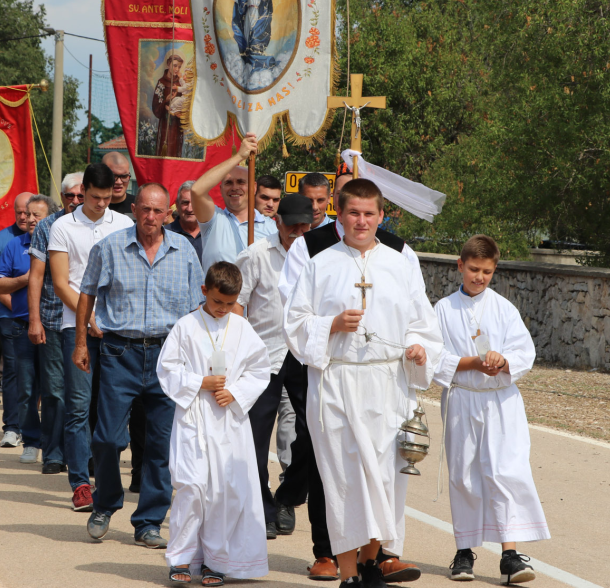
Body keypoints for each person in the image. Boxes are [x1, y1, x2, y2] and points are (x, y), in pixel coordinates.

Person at [284, 179, 443, 588]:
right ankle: (349, 573)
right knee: (343, 479)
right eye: (353, 212)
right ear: (340, 212)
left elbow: (422, 323)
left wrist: (417, 348)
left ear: (380, 215)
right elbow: (295, 323)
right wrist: (331, 325)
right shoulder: (321, 263)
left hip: (387, 381)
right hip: (336, 380)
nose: (361, 221)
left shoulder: (399, 263)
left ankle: (371, 564)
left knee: (384, 478)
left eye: (369, 214)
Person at [76, 183, 204, 549]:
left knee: (160, 446)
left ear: (169, 214)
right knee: (107, 438)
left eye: (158, 211)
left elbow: (199, 306)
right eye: (145, 210)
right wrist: (81, 343)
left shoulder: (184, 253)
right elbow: (87, 291)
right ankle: (105, 504)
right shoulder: (111, 247)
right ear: (134, 208)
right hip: (120, 353)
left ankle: (148, 522)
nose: (151, 217)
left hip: (168, 355)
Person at [433, 235, 549, 583]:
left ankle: (510, 555)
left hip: (500, 402)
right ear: (460, 266)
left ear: (494, 270)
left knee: (505, 471)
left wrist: (503, 360)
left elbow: (523, 353)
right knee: (465, 474)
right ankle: (464, 551)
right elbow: (436, 357)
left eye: (486, 271)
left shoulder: (503, 309)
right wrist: (471, 363)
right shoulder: (443, 309)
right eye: (473, 269)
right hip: (463, 398)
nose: (479, 277)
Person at [158, 261, 271, 584]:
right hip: (194, 417)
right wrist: (198, 383)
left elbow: (259, 370)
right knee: (191, 487)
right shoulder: (186, 326)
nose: (222, 309)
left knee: (224, 491)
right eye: (217, 302)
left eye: (229, 304)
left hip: (228, 421)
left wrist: (235, 392)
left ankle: (215, 562)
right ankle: (180, 559)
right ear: (205, 291)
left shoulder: (243, 328)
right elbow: (167, 369)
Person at [49, 163, 134, 510]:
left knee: (112, 409)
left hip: (117, 329)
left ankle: (106, 475)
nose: (101, 204)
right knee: (79, 407)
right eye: (95, 197)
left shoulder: (125, 223)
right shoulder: (63, 226)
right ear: (82, 191)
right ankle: (80, 483)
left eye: (107, 197)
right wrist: (87, 320)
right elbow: (60, 282)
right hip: (76, 327)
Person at [234, 194, 313, 539]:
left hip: (306, 356)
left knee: (312, 435)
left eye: (304, 225)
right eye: (291, 223)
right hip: (262, 357)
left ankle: (288, 496)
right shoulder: (256, 255)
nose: (297, 230)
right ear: (277, 221)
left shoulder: (321, 255)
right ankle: (262, 506)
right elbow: (237, 305)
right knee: (254, 437)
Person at [0, 194, 57, 463]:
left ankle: (54, 443)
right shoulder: (13, 245)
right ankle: (30, 440)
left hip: (53, 327)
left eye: (36, 215)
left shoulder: (59, 245)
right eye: (27, 214)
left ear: (50, 218)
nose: (29, 219)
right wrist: (25, 279)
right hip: (21, 326)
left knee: (54, 389)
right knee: (26, 388)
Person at [26, 172, 84, 473]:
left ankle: (83, 456)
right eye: (69, 196)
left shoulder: (98, 226)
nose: (75, 201)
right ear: (61, 198)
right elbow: (35, 276)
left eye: (79, 195)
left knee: (84, 394)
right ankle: (52, 453)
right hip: (51, 318)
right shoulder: (48, 226)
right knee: (54, 391)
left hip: (87, 323)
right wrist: (34, 319)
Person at [190, 134, 276, 270]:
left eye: (241, 182)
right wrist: (239, 156)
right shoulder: (213, 220)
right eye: (228, 183)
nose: (235, 187)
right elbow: (196, 190)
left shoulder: (272, 228)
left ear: (253, 188)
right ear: (221, 188)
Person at [0, 191, 34, 409]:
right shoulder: (3, 239)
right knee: (13, 370)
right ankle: (12, 424)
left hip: (42, 318)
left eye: (28, 213)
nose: (23, 217)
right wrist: (20, 307)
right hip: (10, 316)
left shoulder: (50, 238)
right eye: (19, 212)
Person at [150, 51, 189, 158]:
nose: (177, 69)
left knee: (177, 150)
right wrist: (166, 101)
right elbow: (155, 106)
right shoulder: (161, 82)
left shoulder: (180, 83)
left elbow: (187, 99)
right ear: (168, 64)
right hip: (165, 124)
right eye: (175, 65)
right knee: (164, 147)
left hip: (177, 123)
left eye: (179, 67)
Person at [166, 181, 203, 262]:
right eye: (185, 203)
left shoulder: (212, 233)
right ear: (177, 206)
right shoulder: (164, 234)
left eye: (194, 202)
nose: (189, 209)